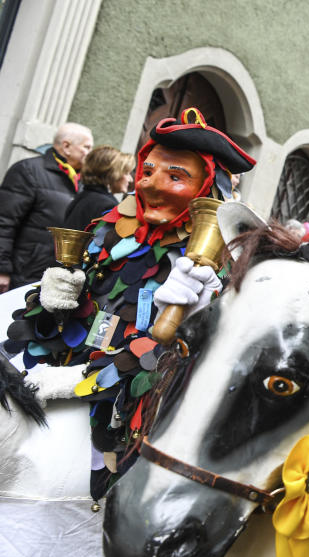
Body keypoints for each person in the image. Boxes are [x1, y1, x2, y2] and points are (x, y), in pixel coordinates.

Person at [4, 108, 255, 502]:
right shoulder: (108, 228)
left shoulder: (220, 262)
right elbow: (52, 327)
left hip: (130, 422)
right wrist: (51, 302)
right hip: (50, 387)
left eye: (176, 176)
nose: (153, 185)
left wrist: (87, 378)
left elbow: (189, 362)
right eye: (149, 170)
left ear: (207, 187)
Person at [0, 123, 94, 291]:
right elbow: (5, 222)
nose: (90, 153)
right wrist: (2, 269)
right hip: (21, 272)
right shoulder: (28, 171)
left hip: (50, 277)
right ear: (66, 146)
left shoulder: (81, 182)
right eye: (86, 147)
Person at [63, 145, 136, 230]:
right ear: (112, 174)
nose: (130, 179)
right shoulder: (106, 206)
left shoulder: (82, 196)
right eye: (126, 173)